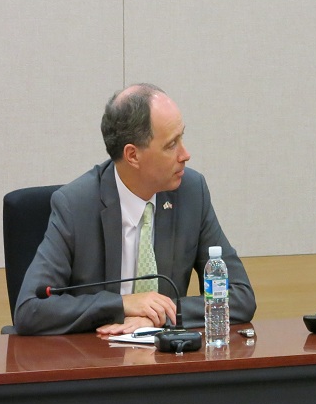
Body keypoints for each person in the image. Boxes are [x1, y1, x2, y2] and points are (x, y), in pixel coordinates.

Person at [14, 84, 256, 335]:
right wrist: (122, 304)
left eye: (182, 138)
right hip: (97, 359)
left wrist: (163, 314)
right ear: (133, 156)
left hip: (167, 361)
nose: (185, 154)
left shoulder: (191, 193)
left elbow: (240, 296)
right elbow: (30, 309)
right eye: (171, 144)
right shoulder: (75, 205)